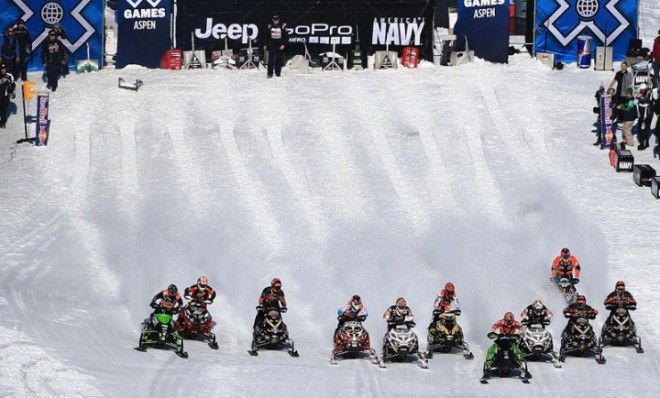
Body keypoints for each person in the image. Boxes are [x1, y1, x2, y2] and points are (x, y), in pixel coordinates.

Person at [635, 83, 654, 150]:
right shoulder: (643, 93)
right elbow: (637, 97)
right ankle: (646, 142)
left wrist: (640, 97)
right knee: (644, 129)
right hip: (643, 114)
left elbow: (645, 99)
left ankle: (643, 144)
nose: (641, 91)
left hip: (646, 115)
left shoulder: (649, 93)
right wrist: (638, 96)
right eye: (641, 90)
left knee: (643, 129)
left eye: (643, 90)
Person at [0, 63, 16, 129]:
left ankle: (2, 123)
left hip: (5, 97)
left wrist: (13, 93)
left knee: (3, 111)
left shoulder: (9, 76)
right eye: (2, 69)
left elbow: (13, 85)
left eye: (4, 69)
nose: (3, 70)